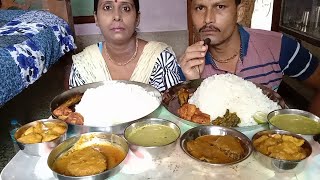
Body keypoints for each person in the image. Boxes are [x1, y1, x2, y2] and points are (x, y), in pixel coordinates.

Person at [179, 0, 320, 116]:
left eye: (220, 6)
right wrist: (193, 83)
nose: (208, 19)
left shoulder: (279, 46)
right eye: (199, 8)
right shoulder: (187, 65)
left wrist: (314, 136)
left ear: (239, 13)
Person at [69, 0, 182, 92]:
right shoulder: (83, 65)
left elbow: (170, 111)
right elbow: (76, 115)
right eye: (107, 7)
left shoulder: (160, 58)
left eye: (126, 8)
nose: (117, 16)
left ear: (137, 18)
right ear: (96, 18)